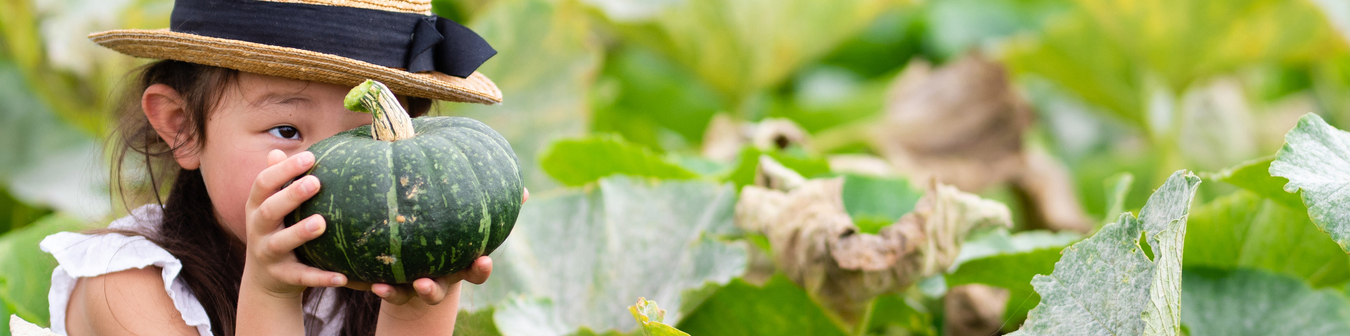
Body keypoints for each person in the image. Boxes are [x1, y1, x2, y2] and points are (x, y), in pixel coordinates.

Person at [37, 0, 524, 335]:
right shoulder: (123, 285)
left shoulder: (364, 269)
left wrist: (417, 298)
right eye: (287, 131)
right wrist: (270, 291)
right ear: (182, 127)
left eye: (365, 136)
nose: (328, 170)